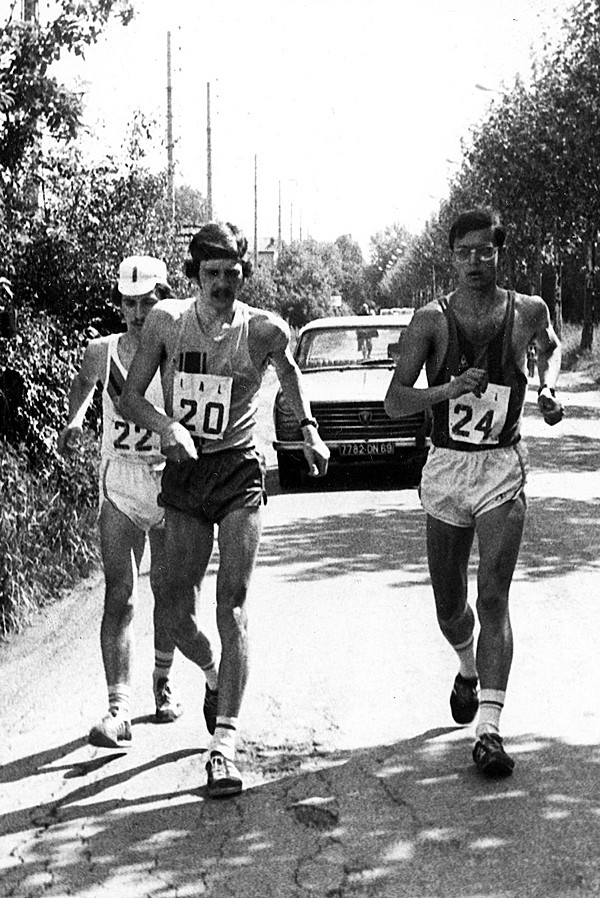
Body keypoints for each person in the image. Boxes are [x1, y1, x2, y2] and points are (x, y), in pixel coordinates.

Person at [120, 221, 330, 798]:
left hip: (238, 470)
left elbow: (289, 373)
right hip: (187, 474)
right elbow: (130, 396)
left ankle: (224, 747)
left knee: (232, 603)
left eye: (232, 274)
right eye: (210, 274)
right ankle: (212, 673)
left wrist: (308, 431)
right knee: (171, 608)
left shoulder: (263, 329)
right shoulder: (166, 322)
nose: (221, 284)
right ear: (193, 275)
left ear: (244, 273)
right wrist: (166, 427)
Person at [384, 208, 563, 777]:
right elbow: (395, 401)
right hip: (447, 468)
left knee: (493, 597)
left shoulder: (526, 310)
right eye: (464, 252)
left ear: (498, 253)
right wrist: (449, 388)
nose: (475, 262)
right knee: (450, 606)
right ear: (451, 257)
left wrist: (547, 388)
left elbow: (552, 346)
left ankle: (489, 728)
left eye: (486, 251)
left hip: (500, 467)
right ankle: (467, 666)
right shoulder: (430, 322)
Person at [58, 256, 198, 749]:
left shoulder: (182, 350)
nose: (138, 315)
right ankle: (117, 708)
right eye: (130, 304)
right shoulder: (101, 351)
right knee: (120, 592)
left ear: (165, 301)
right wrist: (74, 421)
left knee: (169, 591)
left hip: (170, 483)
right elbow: (82, 387)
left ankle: (162, 683)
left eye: (148, 303)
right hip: (119, 480)